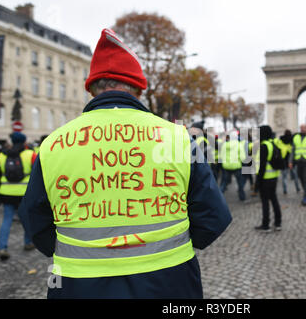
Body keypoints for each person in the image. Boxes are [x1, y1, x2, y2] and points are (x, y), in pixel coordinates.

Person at [20, 29, 232, 299]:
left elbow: (34, 221)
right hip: (169, 280)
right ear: (138, 88)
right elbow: (214, 217)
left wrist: (78, 251)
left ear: (92, 88)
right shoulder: (179, 138)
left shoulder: (53, 144)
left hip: (77, 285)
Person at [0, 132, 37, 261]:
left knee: (7, 220)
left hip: (6, 192)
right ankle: (28, 242)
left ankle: (2, 247)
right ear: (24, 142)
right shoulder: (30, 155)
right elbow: (37, 174)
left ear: (12, 141)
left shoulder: (1, 156)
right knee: (26, 219)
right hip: (24, 193)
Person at [254, 125, 282, 232]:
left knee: (265, 202)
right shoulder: (273, 143)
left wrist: (257, 182)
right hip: (273, 177)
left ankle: (266, 225)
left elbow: (262, 166)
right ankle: (278, 223)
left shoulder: (264, 146)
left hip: (265, 178)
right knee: (274, 200)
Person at [220, 131, 246, 201]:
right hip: (236, 166)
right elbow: (243, 157)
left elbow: (221, 156)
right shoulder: (238, 144)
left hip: (226, 167)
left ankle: (219, 197)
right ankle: (242, 197)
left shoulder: (224, 144)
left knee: (224, 182)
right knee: (240, 182)